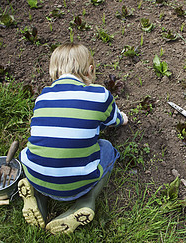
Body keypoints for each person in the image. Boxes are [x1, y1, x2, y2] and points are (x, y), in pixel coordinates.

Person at [18, 43, 128, 234]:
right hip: (77, 184)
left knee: (35, 154)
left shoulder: (42, 98)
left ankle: (36, 197)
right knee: (107, 148)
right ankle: (85, 201)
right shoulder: (99, 95)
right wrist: (123, 118)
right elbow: (114, 120)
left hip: (35, 174)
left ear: (54, 73)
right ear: (90, 70)